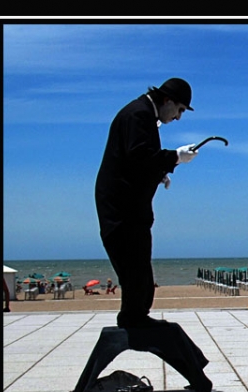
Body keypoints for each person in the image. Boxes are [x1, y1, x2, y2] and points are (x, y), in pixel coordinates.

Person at [95, 78, 199, 328]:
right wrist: (174, 157)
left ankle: (135, 320)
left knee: (139, 274)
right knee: (136, 274)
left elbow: (136, 163)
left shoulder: (142, 114)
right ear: (167, 100)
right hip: (122, 212)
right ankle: (133, 323)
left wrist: (159, 173)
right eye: (180, 109)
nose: (178, 117)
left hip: (128, 211)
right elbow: (140, 156)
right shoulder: (138, 115)